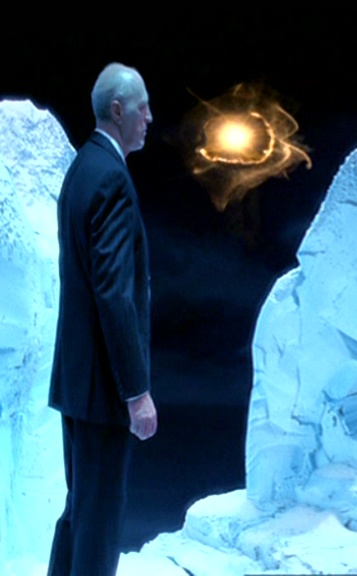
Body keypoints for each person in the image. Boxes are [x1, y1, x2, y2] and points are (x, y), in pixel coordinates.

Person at [47, 62, 158, 576]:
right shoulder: (112, 178)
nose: (149, 118)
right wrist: (136, 392)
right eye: (142, 107)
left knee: (80, 514)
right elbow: (113, 293)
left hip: (77, 383)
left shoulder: (82, 168)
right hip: (103, 391)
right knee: (99, 523)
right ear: (118, 111)